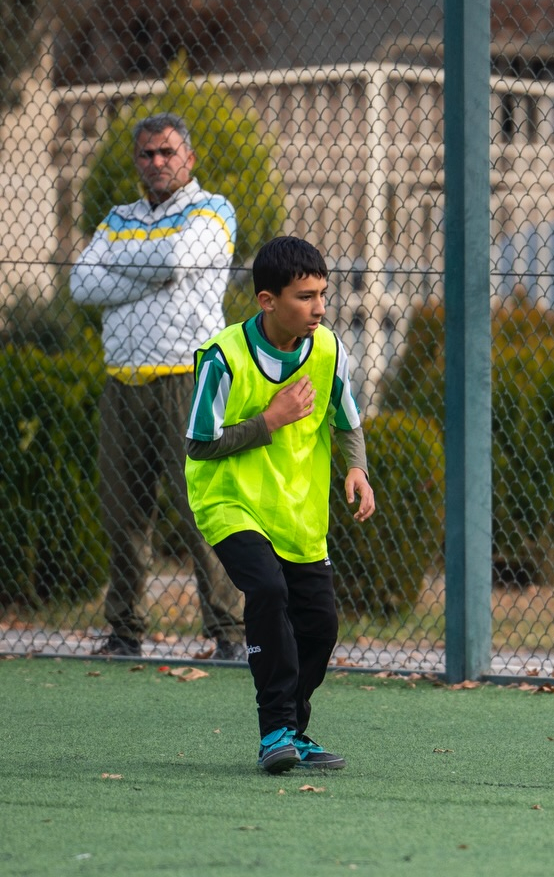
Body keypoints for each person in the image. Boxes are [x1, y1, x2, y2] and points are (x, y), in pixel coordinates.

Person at [184, 236, 376, 774]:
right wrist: (269, 421)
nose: (319, 308)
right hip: (228, 502)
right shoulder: (224, 357)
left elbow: (348, 418)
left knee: (320, 626)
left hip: (297, 514)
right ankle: (274, 733)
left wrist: (357, 469)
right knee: (267, 591)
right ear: (267, 301)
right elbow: (199, 442)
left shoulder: (329, 349)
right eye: (305, 297)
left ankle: (295, 729)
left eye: (322, 294)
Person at [69, 112, 245, 660]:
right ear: (136, 161)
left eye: (168, 152)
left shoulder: (213, 211)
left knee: (203, 513)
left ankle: (232, 635)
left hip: (187, 380)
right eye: (147, 154)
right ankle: (125, 633)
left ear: (188, 158)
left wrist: (123, 265)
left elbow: (176, 256)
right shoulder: (119, 216)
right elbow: (80, 282)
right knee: (123, 518)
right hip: (123, 382)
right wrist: (155, 267)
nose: (157, 162)